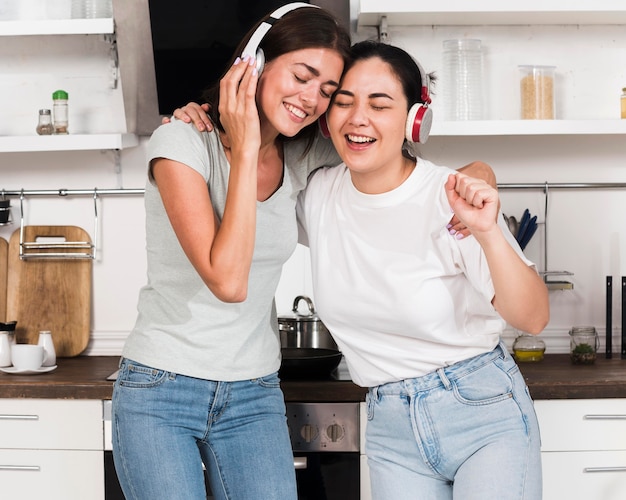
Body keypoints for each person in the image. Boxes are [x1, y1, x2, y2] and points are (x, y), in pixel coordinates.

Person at [111, 5, 351, 500]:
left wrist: (475, 170)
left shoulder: (303, 154)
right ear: (254, 64)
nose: (311, 100)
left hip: (254, 391)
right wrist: (244, 149)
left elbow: (389, 156)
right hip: (161, 387)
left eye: (327, 91)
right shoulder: (181, 142)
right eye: (302, 76)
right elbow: (228, 280)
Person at [296, 40, 550, 499]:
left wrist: (489, 232)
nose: (358, 118)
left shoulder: (449, 195)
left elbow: (533, 317)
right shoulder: (317, 195)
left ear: (416, 118)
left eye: (380, 104)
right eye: (344, 102)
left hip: (481, 411)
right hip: (390, 426)